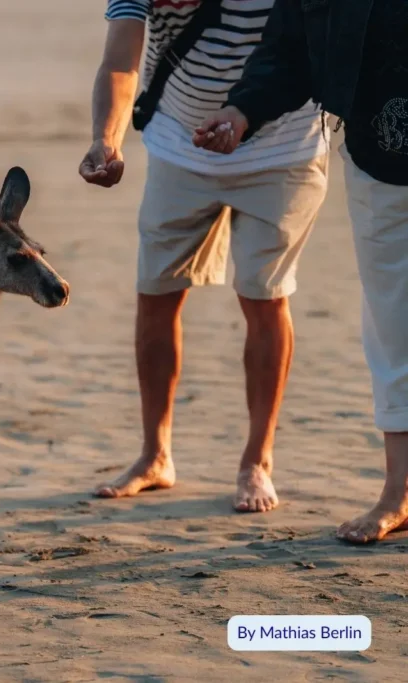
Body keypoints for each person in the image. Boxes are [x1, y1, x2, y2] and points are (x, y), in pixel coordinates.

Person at [80, 0, 330, 512]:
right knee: (156, 292)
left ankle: (257, 462)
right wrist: (107, 140)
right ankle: (155, 455)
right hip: (179, 142)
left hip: (282, 147)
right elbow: (121, 60)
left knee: (263, 296)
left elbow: (303, 49)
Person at [196, 0, 408, 543]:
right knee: (393, 324)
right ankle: (398, 493)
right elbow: (287, 49)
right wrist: (242, 111)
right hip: (379, 158)